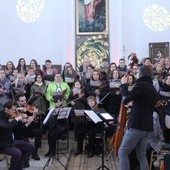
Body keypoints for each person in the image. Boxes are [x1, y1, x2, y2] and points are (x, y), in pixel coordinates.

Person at [118, 65, 159, 170]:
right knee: (141, 155)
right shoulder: (152, 87)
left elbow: (125, 98)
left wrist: (123, 85)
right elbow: (143, 104)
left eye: (136, 73)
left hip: (137, 125)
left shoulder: (140, 85)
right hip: (147, 127)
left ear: (140, 74)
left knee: (122, 152)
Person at [0, 99, 35, 170]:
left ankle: (19, 166)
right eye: (13, 110)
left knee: (31, 147)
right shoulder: (1, 116)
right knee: (17, 153)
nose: (15, 111)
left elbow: (18, 130)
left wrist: (27, 123)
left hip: (12, 140)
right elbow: (7, 127)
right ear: (6, 109)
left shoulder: (9, 115)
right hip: (4, 143)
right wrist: (16, 119)